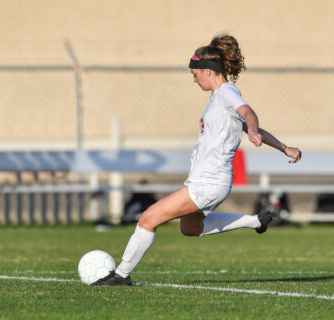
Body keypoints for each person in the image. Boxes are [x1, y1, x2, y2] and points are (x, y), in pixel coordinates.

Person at [92, 34, 302, 286]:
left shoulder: (227, 93)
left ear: (209, 71)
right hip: (206, 180)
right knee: (190, 228)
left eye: (195, 73)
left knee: (149, 218)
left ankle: (121, 276)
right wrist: (283, 147)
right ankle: (256, 220)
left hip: (209, 181)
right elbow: (247, 124)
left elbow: (248, 113)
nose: (193, 78)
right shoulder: (219, 99)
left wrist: (254, 130)